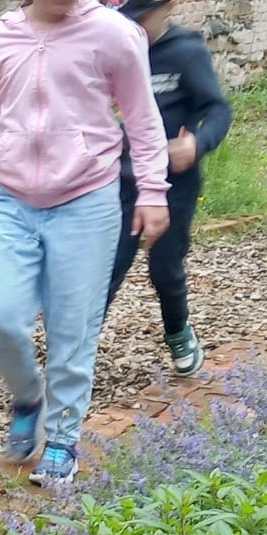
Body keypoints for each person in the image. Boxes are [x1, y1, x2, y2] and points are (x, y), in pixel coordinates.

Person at [0, 0, 171, 486]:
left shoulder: (115, 35)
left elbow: (142, 120)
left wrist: (152, 190)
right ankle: (28, 395)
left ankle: (63, 435)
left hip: (86, 201)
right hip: (12, 199)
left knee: (73, 328)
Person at [105, 0, 233, 376]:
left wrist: (197, 142)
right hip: (120, 182)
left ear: (169, 6)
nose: (134, 27)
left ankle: (178, 331)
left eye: (142, 19)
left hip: (172, 184)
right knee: (104, 270)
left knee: (164, 269)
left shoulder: (186, 51)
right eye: (127, 20)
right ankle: (76, 351)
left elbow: (219, 109)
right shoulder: (111, 50)